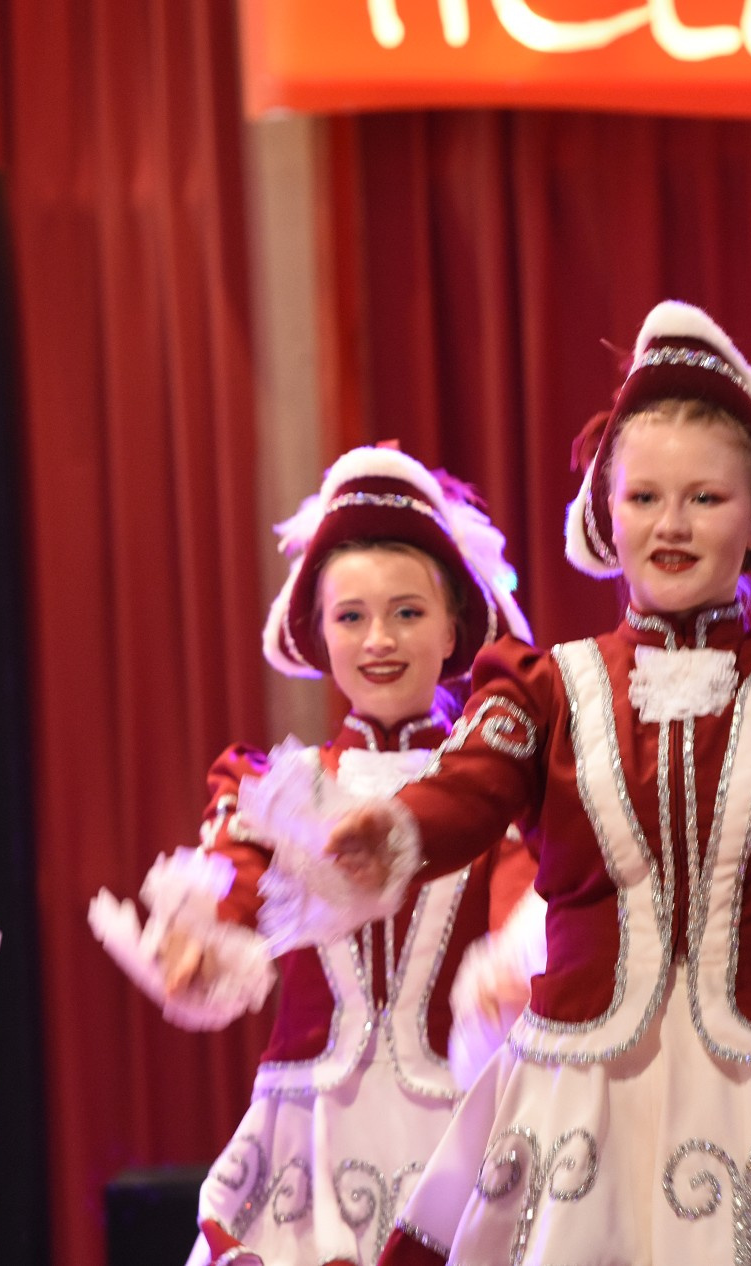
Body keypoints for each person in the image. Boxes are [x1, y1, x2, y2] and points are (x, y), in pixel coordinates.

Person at [308, 301, 751, 1266]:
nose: (672, 524)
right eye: (646, 498)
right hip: (585, 1096)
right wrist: (396, 829)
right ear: (608, 514)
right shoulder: (549, 688)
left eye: (705, 498)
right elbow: (470, 785)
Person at [90, 445, 539, 1266]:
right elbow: (233, 888)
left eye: (407, 613)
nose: (379, 640)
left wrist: (516, 966)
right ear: (318, 632)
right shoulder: (273, 790)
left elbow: (526, 908)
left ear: (453, 629)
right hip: (307, 1150)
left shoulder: (494, 786)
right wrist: (196, 948)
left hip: (461, 1146)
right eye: (351, 617)